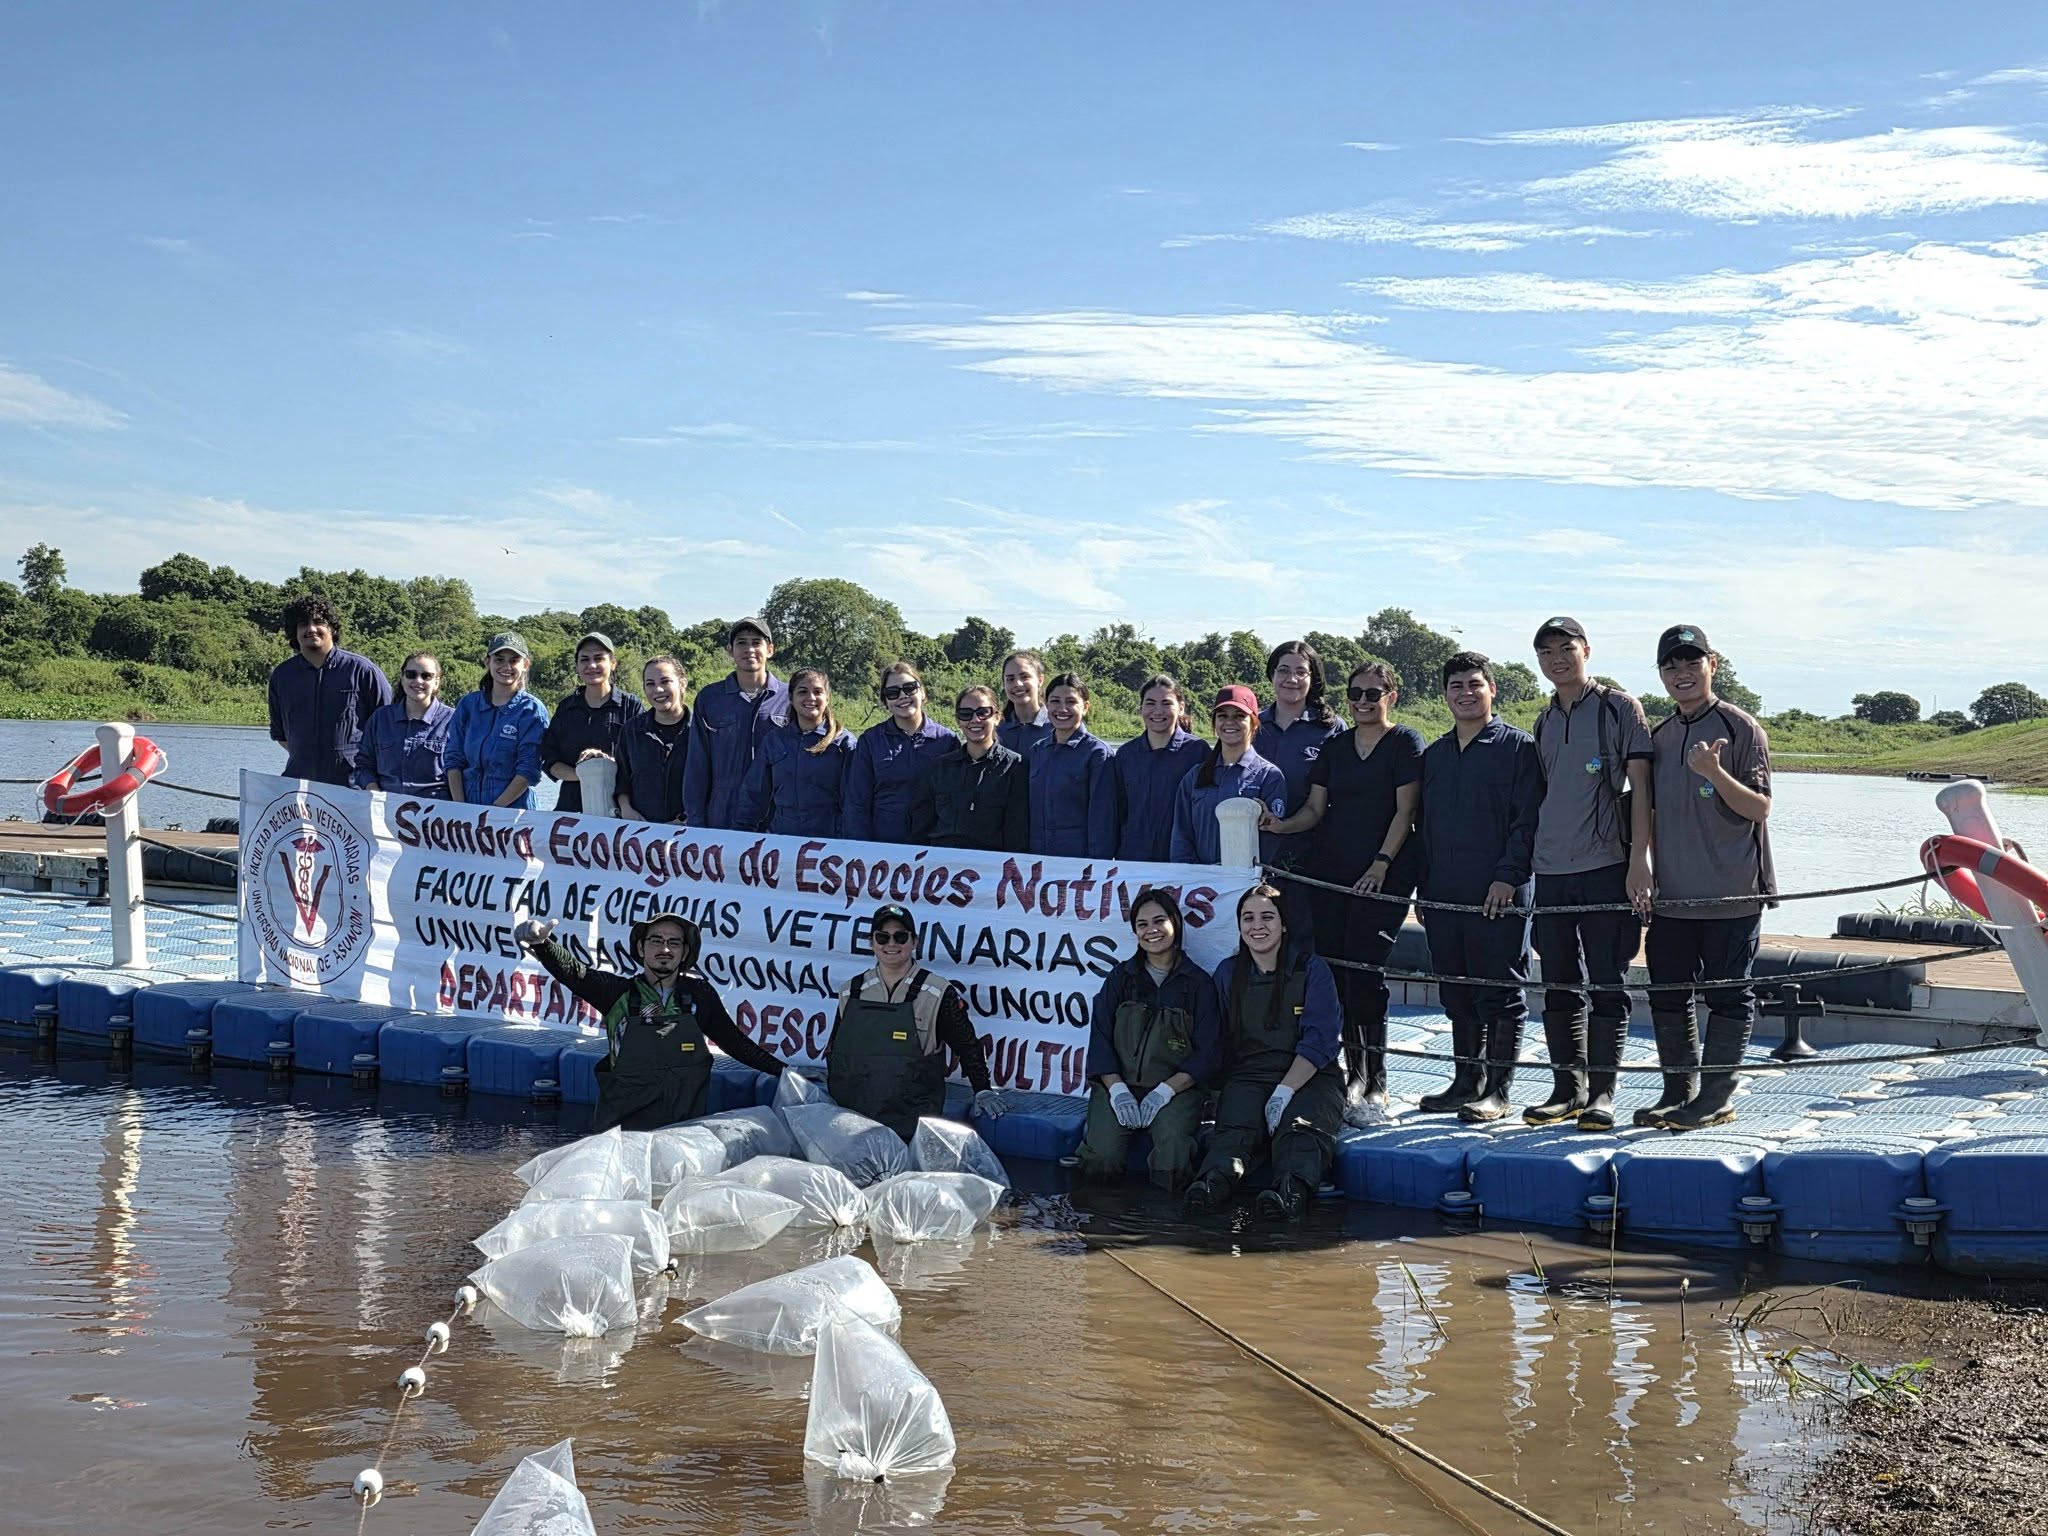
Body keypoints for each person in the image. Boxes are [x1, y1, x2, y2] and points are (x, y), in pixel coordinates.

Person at [1259, 660, 1422, 1118]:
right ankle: (1351, 1073)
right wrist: (1283, 825)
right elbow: (1315, 809)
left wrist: (1380, 864)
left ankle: (1376, 1079)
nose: (1363, 702)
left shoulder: (1405, 742)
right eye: (1356, 694)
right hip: (1330, 873)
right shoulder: (1336, 745)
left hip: (1382, 877)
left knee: (1367, 974)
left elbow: (1404, 812)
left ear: (1392, 696)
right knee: (1337, 973)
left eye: (1373, 693)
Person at [1640, 624, 1776, 1132]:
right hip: (1673, 895)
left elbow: (1759, 808)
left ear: (1711, 665)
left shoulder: (1743, 729)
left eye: (1691, 662)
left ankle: (1717, 1098)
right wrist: (1645, 869)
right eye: (1670, 665)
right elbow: (1649, 815)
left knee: (1727, 994)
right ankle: (1679, 1092)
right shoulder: (1659, 735)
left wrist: (1714, 773)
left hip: (1732, 892)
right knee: (1667, 991)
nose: (1681, 673)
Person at [1528, 618, 1656, 1133]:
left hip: (1607, 865)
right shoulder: (1543, 719)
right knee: (1558, 981)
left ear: (1587, 651)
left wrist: (1639, 861)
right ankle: (1567, 1089)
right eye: (1547, 652)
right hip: (1551, 870)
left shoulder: (1619, 708)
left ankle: (1603, 1091)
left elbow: (1642, 790)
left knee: (1607, 981)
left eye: (1567, 648)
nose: (1558, 659)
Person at [515, 910, 791, 1132]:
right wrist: (543, 944)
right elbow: (575, 973)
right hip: (621, 1134)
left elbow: (736, 1043)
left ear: (685, 953)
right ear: (641, 948)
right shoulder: (618, 993)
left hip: (682, 1134)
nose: (665, 949)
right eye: (656, 940)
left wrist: (786, 1072)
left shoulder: (700, 995)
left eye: (674, 943)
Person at [1415, 652, 1542, 1123]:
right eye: (1456, 686)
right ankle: (1465, 1080)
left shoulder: (1518, 749)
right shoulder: (1436, 755)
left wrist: (1507, 877)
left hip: (1499, 894)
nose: (1465, 693)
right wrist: (1423, 888)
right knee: (1456, 990)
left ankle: (1498, 1090)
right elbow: (1421, 827)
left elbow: (1528, 821)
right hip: (1444, 894)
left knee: (1500, 992)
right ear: (1444, 694)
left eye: (1474, 684)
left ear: (1493, 689)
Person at [1184, 883, 1345, 1221]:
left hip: (1311, 1076)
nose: (1257, 926)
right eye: (1248, 918)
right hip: (1250, 1074)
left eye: (1267, 917)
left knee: (1299, 1130)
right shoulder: (1228, 974)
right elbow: (1217, 1040)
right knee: (1234, 1131)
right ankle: (1212, 1185)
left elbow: (1322, 1039)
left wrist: (1285, 1090)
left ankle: (1290, 1192)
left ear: (1284, 923)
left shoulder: (1312, 970)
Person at [1074, 887, 1222, 1191]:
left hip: (1177, 1091)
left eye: (1159, 921)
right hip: (1118, 1086)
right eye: (1143, 924)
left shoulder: (1199, 984)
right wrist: (1117, 1091)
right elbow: (1100, 1037)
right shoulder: (1119, 978)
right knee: (1101, 1156)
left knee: (1173, 1156)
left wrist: (1166, 1091)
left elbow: (1208, 1053)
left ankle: (1166, 1230)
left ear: (1175, 924)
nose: (1152, 931)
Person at [824, 903, 1008, 1138]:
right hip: (854, 1121)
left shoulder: (939, 992)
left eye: (900, 937)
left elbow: (967, 1045)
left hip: (913, 1122)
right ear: (872, 943)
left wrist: (982, 1089)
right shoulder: (851, 991)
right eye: (882, 937)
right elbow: (836, 1049)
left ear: (915, 942)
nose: (891, 944)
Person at [1258, 640, 1348, 936]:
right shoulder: (1252, 725)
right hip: (1255, 853)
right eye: (1283, 670)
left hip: (1312, 855)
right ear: (1271, 675)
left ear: (1314, 679)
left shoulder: (1333, 728)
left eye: (1301, 671)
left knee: (1303, 937)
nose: (1291, 679)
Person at [266, 593, 391, 785]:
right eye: (303, 624)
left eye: (319, 622)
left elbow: (388, 729)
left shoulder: (363, 671)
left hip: (353, 789)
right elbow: (280, 733)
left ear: (331, 628)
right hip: (298, 788)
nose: (311, 629)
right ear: (294, 631)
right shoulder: (282, 676)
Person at [682, 616, 789, 829]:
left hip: (776, 819)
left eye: (756, 642)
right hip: (722, 817)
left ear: (770, 649)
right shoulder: (710, 698)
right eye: (741, 642)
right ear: (730, 650)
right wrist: (696, 822)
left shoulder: (791, 697)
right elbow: (697, 767)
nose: (749, 649)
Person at [1169, 685, 1289, 864]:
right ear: (1214, 723)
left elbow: (1272, 844)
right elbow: (1181, 836)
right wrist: (1192, 878)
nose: (1229, 722)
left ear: (1254, 723)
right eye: (1222, 716)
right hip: (1199, 884)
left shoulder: (1269, 777)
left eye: (1239, 716)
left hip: (1248, 885)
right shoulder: (1194, 777)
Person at [842, 661, 958, 844]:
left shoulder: (947, 741)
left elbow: (955, 803)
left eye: (910, 688)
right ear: (885, 702)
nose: (903, 696)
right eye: (893, 693)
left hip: (933, 851)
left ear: (923, 692)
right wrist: (861, 850)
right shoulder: (870, 741)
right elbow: (857, 804)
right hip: (884, 851)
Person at [733, 667, 856, 836]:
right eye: (803, 692)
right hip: (783, 843)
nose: (811, 698)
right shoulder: (774, 741)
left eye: (818, 692)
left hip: (829, 845)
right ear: (790, 697)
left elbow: (855, 803)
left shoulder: (844, 743)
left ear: (827, 698)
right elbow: (753, 794)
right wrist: (741, 834)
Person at [910, 684, 1030, 850]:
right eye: (966, 714)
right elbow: (921, 828)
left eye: (983, 712)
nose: (975, 720)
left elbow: (1017, 833)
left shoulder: (1014, 766)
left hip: (990, 868)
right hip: (941, 867)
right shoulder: (940, 768)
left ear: (997, 717)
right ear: (958, 720)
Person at [540, 631, 643, 815]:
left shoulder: (631, 706)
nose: (591, 665)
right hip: (570, 812)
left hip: (620, 810)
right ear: (577, 666)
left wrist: (604, 766)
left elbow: (641, 760)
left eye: (599, 658)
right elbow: (549, 760)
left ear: (613, 663)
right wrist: (587, 774)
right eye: (584, 660)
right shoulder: (565, 708)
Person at [445, 632, 549, 810]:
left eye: (514, 660)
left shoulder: (532, 711)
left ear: (525, 665)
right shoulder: (468, 705)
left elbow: (528, 770)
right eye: (499, 659)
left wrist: (493, 812)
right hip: (467, 811)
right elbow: (454, 759)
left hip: (513, 814)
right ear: (488, 662)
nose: (506, 666)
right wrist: (461, 808)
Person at [1112, 673, 1206, 862]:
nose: (1157, 711)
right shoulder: (1125, 755)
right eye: (1150, 703)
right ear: (1140, 709)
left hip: (1182, 860)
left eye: (1166, 703)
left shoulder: (1198, 752)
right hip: (1133, 860)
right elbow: (1116, 812)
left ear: (1181, 708)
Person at [1027, 672, 1118, 859]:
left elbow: (1103, 819)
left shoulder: (1098, 753)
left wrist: (1097, 865)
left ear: (1085, 707)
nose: (1062, 709)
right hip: (1037, 858)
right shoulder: (1038, 750)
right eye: (1055, 701)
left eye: (1070, 702)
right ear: (1046, 705)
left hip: (1077, 863)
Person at [350, 650, 454, 798]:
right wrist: (375, 793)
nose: (418, 681)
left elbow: (462, 771)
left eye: (426, 676)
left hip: (437, 814)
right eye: (411, 674)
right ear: (402, 678)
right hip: (385, 810)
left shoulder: (454, 721)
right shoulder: (380, 718)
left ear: (436, 682)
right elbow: (363, 764)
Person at [614, 655, 692, 823]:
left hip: (690, 835)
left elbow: (713, 783)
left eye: (665, 682)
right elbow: (622, 779)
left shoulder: (702, 730)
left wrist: (684, 819)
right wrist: (626, 809)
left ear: (682, 684)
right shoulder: (631, 730)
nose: (658, 690)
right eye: (650, 684)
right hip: (640, 835)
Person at [996, 649, 1052, 755]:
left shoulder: (1056, 727)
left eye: (1024, 677)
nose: (1018, 684)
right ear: (1004, 684)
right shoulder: (997, 728)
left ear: (1040, 680)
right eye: (1010, 679)